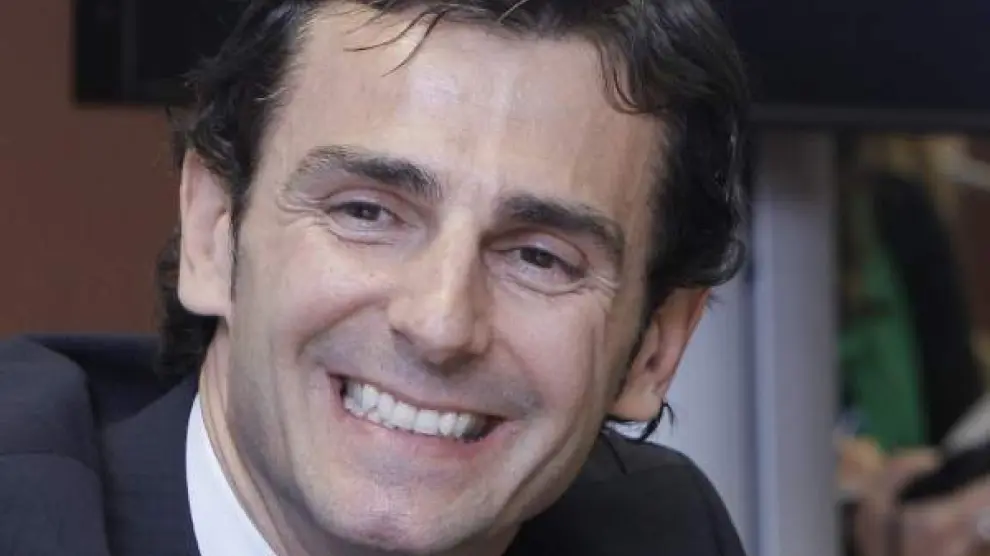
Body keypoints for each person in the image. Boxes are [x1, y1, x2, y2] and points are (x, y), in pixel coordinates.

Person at [0, 0, 749, 554]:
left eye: (539, 257)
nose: (440, 324)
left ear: (655, 349)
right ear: (212, 232)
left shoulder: (662, 533)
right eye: (366, 212)